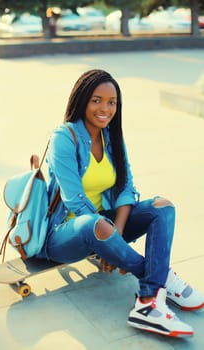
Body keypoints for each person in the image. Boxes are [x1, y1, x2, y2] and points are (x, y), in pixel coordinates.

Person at [37, 69, 204, 337]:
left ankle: (148, 301)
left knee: (162, 206)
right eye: (96, 100)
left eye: (111, 102)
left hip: (104, 224)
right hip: (65, 234)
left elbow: (126, 187)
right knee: (93, 222)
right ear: (81, 100)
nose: (105, 108)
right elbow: (76, 203)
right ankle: (161, 280)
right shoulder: (63, 138)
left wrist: (116, 237)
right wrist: (108, 238)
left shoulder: (111, 136)